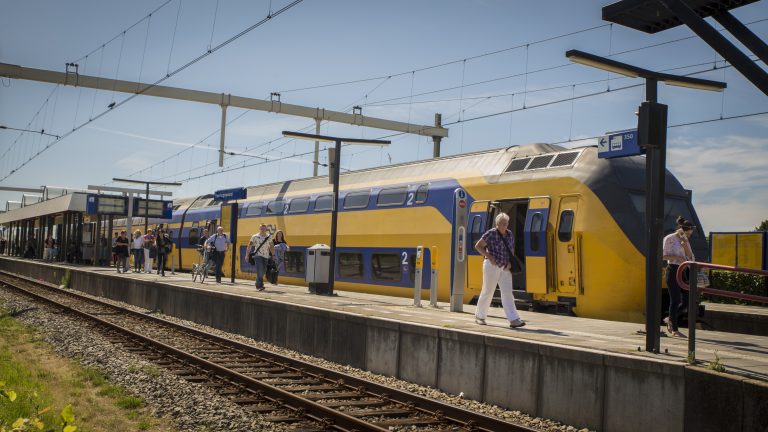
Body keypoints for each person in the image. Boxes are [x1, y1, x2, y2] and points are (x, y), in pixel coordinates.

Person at [474, 213, 525, 328]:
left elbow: (511, 250)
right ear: (497, 224)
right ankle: (480, 317)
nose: (503, 226)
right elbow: (478, 246)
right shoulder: (491, 233)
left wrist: (510, 263)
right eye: (501, 223)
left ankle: (514, 319)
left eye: (505, 223)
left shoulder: (510, 234)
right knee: (488, 290)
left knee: (507, 293)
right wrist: (490, 257)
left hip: (505, 267)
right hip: (491, 265)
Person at [662, 216, 696, 338]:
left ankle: (670, 318)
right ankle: (674, 330)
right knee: (676, 299)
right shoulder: (669, 238)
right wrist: (678, 258)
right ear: (682, 229)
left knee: (687, 300)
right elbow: (663, 256)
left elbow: (691, 257)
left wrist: (684, 243)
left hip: (683, 270)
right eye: (688, 233)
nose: (689, 235)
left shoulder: (685, 240)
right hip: (673, 270)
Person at [246, 224, 273, 291]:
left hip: (266, 256)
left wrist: (273, 255)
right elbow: (249, 246)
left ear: (266, 229)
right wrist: (247, 255)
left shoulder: (269, 237)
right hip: (258, 255)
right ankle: (259, 285)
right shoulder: (255, 236)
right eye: (261, 228)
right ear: (259, 229)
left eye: (264, 228)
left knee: (263, 271)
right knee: (260, 270)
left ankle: (257, 282)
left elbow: (271, 246)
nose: (263, 230)